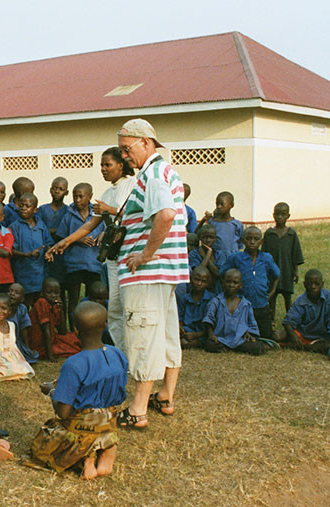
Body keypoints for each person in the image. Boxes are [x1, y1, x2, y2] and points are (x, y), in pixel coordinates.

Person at [113, 119, 188, 429]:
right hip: (165, 272)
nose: (123, 156)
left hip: (148, 272)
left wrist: (145, 254)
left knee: (143, 335)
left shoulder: (154, 173)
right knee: (166, 333)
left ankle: (137, 410)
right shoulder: (165, 171)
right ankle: (165, 396)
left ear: (146, 143)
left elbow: (166, 214)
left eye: (125, 149)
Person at [46, 147, 136, 352]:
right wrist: (65, 242)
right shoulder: (107, 192)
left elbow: (138, 216)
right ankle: (122, 354)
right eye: (101, 165)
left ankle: (134, 353)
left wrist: (111, 210)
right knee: (114, 308)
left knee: (129, 308)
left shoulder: (133, 186)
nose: (103, 169)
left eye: (108, 165)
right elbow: (90, 225)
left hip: (130, 255)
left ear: (121, 165)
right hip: (114, 258)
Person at [25, 301, 126, 479]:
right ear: (104, 326)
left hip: (81, 430)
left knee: (43, 440)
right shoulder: (118, 354)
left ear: (76, 330)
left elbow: (63, 412)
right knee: (101, 424)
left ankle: (85, 458)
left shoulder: (74, 364)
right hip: (109, 422)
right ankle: (107, 446)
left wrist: (51, 391)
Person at [56, 183, 105, 329]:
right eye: (75, 196)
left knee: (92, 300)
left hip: (93, 264)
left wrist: (102, 234)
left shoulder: (98, 214)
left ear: (89, 196)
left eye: (81, 196)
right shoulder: (69, 215)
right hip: (74, 265)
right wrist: (78, 238)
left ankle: (92, 329)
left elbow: (106, 229)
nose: (77, 200)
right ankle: (73, 330)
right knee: (73, 300)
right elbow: (61, 238)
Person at [222, 226, 280, 339]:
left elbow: (277, 275)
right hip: (242, 306)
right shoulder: (236, 258)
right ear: (243, 241)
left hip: (262, 304)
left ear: (261, 241)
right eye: (249, 239)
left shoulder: (266, 258)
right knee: (242, 335)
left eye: (256, 239)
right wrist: (231, 295)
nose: (252, 242)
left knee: (267, 337)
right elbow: (222, 274)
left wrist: (272, 292)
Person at [202, 269, 267, 355]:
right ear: (223, 283)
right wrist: (211, 334)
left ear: (240, 285)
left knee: (258, 347)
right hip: (221, 339)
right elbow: (209, 318)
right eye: (228, 282)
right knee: (209, 344)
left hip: (239, 339)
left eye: (235, 282)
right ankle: (229, 348)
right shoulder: (216, 301)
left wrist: (249, 333)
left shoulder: (246, 304)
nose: (231, 285)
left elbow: (251, 323)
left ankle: (232, 348)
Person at [9, 192, 53, 306]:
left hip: (39, 273)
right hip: (23, 274)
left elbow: (48, 242)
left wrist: (49, 251)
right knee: (24, 304)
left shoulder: (41, 225)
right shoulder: (14, 227)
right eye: (21, 205)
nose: (23, 208)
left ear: (35, 210)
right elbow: (11, 250)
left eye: (27, 206)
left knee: (39, 305)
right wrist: (27, 254)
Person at [262, 202, 304, 321]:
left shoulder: (291, 234)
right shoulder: (269, 234)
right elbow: (263, 255)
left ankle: (290, 320)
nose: (280, 217)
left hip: (286, 271)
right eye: (277, 214)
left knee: (287, 298)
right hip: (272, 273)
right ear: (273, 215)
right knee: (272, 298)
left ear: (288, 216)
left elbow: (295, 253)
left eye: (283, 214)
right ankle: (272, 321)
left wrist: (295, 271)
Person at [28, 277, 81, 360]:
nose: (53, 296)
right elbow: (46, 331)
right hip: (40, 345)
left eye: (56, 293)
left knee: (74, 338)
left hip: (51, 340)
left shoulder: (54, 305)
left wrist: (61, 310)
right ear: (42, 293)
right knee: (74, 349)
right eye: (49, 292)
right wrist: (50, 356)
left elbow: (62, 331)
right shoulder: (42, 302)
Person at [279, 269, 330, 354]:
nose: (313, 286)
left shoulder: (328, 298)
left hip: (324, 335)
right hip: (304, 334)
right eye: (309, 284)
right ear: (304, 285)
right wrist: (294, 337)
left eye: (316, 283)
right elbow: (287, 322)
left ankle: (306, 347)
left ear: (322, 284)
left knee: (326, 345)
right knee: (279, 336)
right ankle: (304, 345)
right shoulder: (301, 301)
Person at [37, 177, 70, 291]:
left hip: (62, 252)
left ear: (66, 192)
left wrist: (49, 230)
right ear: (50, 190)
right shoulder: (42, 209)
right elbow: (40, 230)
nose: (57, 191)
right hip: (45, 251)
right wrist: (58, 231)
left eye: (61, 189)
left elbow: (68, 233)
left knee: (62, 287)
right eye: (55, 188)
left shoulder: (68, 211)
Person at [177, 266, 215, 349]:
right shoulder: (184, 298)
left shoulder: (211, 299)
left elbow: (212, 325)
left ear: (208, 283)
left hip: (203, 333)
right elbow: (180, 318)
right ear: (190, 279)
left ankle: (198, 343)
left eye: (203, 281)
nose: (199, 283)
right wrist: (181, 329)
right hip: (187, 332)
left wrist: (195, 335)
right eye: (196, 279)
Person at [197, 191, 243, 257]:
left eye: (222, 204)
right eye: (217, 204)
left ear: (231, 205)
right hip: (216, 258)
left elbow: (240, 244)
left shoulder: (237, 225)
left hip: (232, 258)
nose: (218, 206)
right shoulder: (212, 223)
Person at [189, 224, 226, 291]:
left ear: (215, 239)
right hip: (198, 290)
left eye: (211, 237)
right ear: (200, 238)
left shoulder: (219, 254)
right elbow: (198, 273)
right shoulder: (194, 254)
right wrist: (207, 255)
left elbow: (218, 273)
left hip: (216, 289)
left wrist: (206, 256)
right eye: (205, 237)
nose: (208, 240)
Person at [7, 283, 37, 363]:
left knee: (29, 356)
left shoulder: (22, 309)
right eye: (10, 291)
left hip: (16, 341)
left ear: (22, 299)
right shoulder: (3, 307)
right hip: (3, 341)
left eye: (16, 293)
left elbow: (24, 329)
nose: (12, 294)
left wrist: (27, 347)